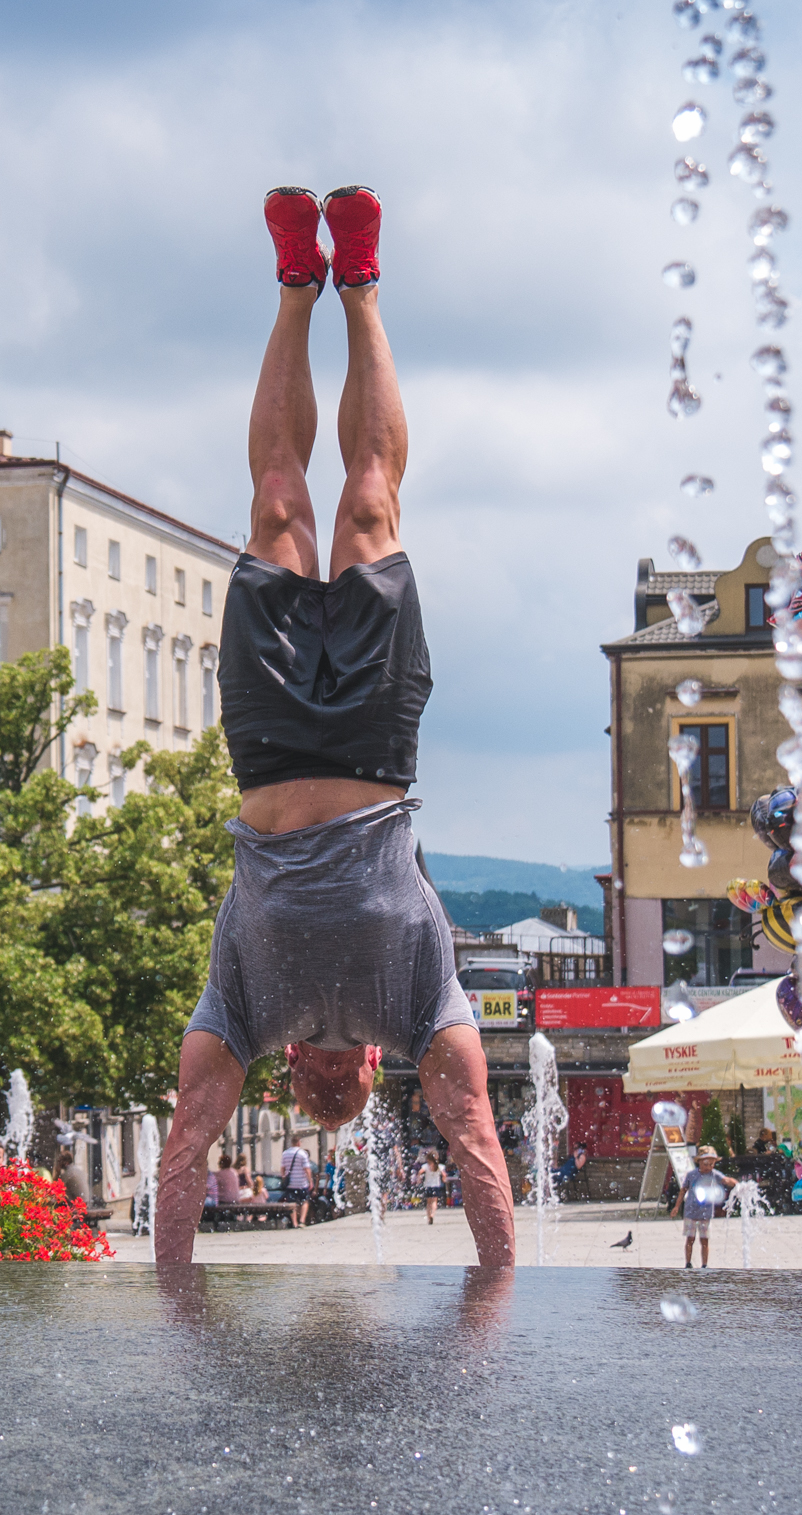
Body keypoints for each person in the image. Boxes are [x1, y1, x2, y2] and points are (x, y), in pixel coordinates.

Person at [156, 186, 514, 1268]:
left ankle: (292, 289)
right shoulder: (420, 1013)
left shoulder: (241, 1011)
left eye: (310, 1088)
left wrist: (174, 1303)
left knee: (275, 502)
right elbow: (477, 1140)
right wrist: (498, 1295)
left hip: (264, 746)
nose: (327, 1080)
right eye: (341, 1088)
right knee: (366, 505)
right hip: (369, 746)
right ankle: (357, 288)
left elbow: (183, 1147)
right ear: (368, 1074)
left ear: (285, 1076)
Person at [678, 1146, 739, 1268]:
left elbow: (726, 1180)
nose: (709, 1167)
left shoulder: (714, 1174)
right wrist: (677, 1206)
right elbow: (683, 1190)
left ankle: (704, 1264)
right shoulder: (692, 1175)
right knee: (690, 1238)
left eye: (712, 1164)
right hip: (691, 1212)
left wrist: (737, 1184)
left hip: (706, 1213)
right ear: (699, 1162)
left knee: (704, 1240)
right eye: (706, 1164)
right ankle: (688, 1262)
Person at [278, 1138, 315, 1228]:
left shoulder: (285, 1153)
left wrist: (284, 1178)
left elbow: (282, 1168)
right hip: (302, 1183)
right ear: (299, 1142)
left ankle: (294, 1223)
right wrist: (310, 1181)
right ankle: (302, 1221)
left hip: (290, 1184)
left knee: (292, 1203)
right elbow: (307, 1169)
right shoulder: (302, 1153)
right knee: (305, 1201)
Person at [418, 1148, 445, 1225]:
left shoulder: (426, 1166)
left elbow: (420, 1172)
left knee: (428, 1203)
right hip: (436, 1185)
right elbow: (444, 1175)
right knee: (434, 1202)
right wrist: (443, 1179)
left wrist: (419, 1179)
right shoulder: (439, 1166)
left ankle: (429, 1216)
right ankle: (433, 1214)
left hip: (427, 1186)